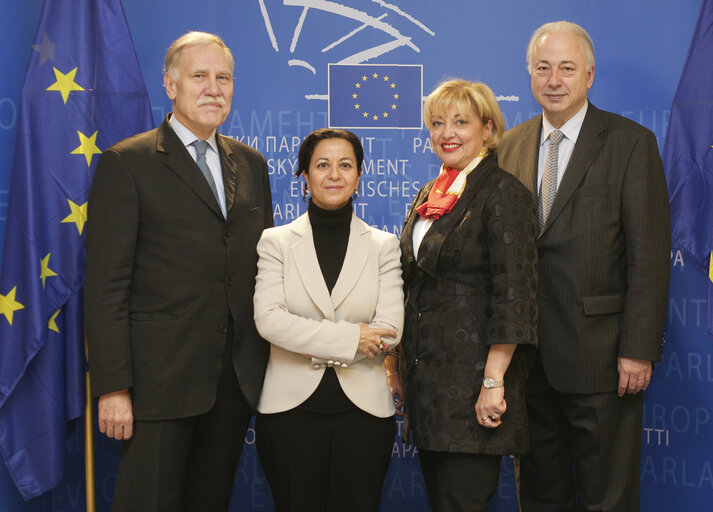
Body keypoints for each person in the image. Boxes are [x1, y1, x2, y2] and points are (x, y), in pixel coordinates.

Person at [84, 31, 273, 511]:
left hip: (233, 382)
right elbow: (106, 288)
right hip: (156, 384)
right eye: (199, 76)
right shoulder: (127, 163)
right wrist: (113, 387)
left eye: (224, 77)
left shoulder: (252, 165)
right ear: (170, 85)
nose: (214, 88)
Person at [497, 21, 671, 512]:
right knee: (540, 494)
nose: (554, 80)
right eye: (543, 68)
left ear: (589, 74)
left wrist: (638, 350)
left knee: (607, 499)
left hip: (603, 359)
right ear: (530, 75)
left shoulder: (630, 143)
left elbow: (650, 257)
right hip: (528, 359)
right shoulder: (509, 146)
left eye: (567, 69)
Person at [397, 79, 538, 511]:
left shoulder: (502, 192)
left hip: (474, 389)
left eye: (461, 122)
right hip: (430, 390)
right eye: (437, 123)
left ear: (488, 129)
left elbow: (516, 296)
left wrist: (493, 382)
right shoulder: (432, 193)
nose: (447, 133)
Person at [253, 128, 404, 512]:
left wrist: (309, 337)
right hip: (290, 415)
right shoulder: (276, 242)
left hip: (365, 416)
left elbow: (390, 331)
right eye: (322, 165)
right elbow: (269, 321)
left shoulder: (384, 246)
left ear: (358, 176)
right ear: (305, 175)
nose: (334, 174)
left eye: (345, 165)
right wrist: (353, 338)